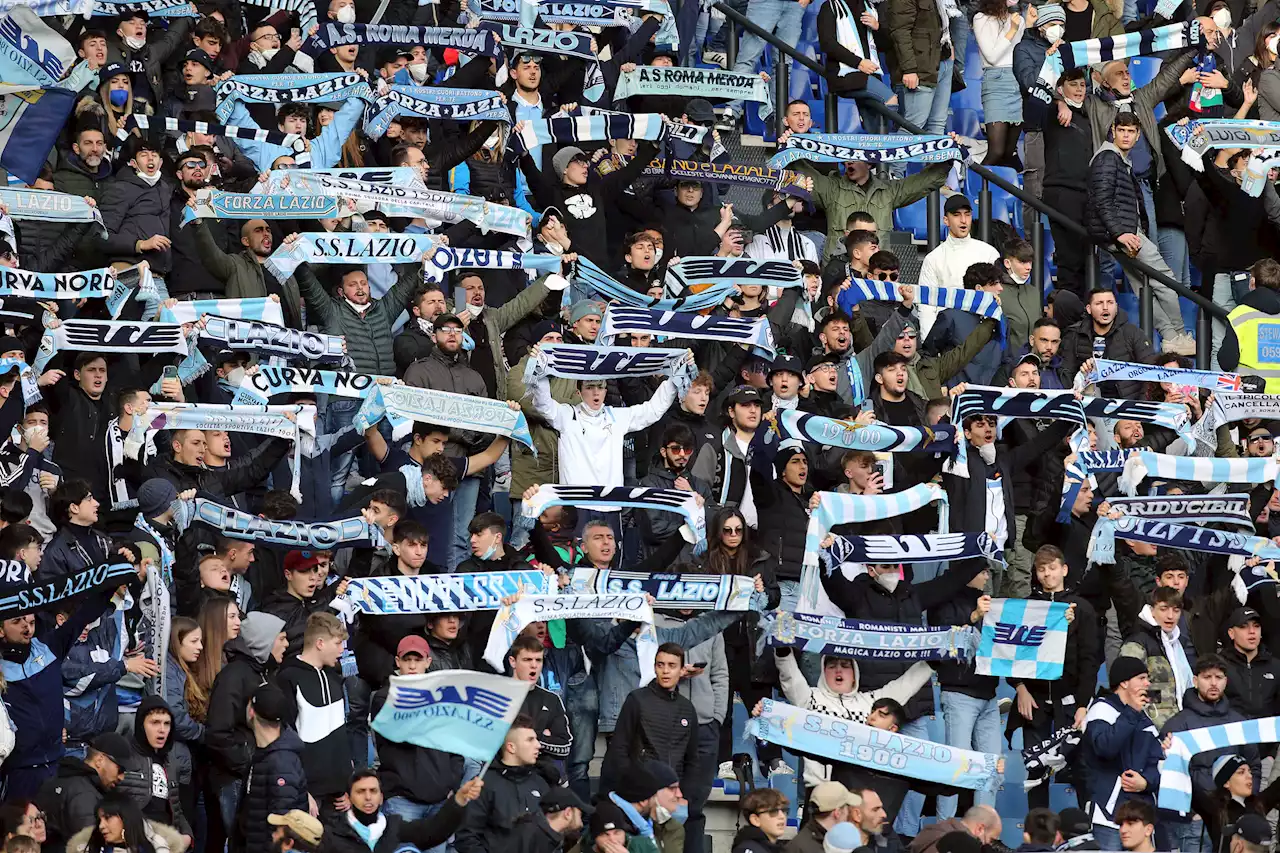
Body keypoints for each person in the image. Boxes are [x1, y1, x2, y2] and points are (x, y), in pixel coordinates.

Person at [1085, 112, 1194, 355]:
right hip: (1124, 234)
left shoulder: (1119, 159)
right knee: (1165, 279)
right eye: (1121, 130)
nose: (1125, 135)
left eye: (1131, 131)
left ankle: (1169, 336)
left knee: (1142, 286)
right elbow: (1102, 201)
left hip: (1121, 234)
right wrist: (1120, 234)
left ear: (1137, 136)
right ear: (1113, 130)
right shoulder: (1107, 158)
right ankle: (1180, 334)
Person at [1161, 654, 1259, 853]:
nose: (1213, 683)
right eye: (1207, 677)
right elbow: (1171, 775)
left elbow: (1254, 765)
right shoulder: (1177, 725)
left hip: (1234, 816)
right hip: (1195, 822)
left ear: (1226, 681)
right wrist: (1193, 811)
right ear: (1195, 681)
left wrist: (1246, 801)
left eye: (1219, 677)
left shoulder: (1239, 723)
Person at [1080, 657, 1162, 849]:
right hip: (1109, 815)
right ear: (1124, 682)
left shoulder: (1145, 718)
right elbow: (1106, 747)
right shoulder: (1101, 709)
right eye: (1141, 678)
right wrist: (1131, 712)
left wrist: (1146, 782)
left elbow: (1157, 762)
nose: (1147, 683)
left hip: (1141, 815)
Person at [323, 770, 483, 853]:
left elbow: (433, 831)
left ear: (381, 797)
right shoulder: (334, 834)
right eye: (360, 791)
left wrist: (459, 800)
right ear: (349, 798)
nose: (367, 797)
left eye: (373, 791)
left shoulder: (394, 827)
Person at [454, 716, 549, 853]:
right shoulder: (483, 784)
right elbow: (466, 837)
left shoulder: (540, 783)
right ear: (511, 747)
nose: (538, 745)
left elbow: (552, 834)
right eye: (530, 740)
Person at [35, 734, 131, 853]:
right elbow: (86, 846)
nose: (122, 777)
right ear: (100, 760)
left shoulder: (65, 778)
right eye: (120, 769)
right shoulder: (84, 794)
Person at [731, 788, 789, 853]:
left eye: (784, 810)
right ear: (755, 820)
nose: (782, 816)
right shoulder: (746, 849)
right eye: (773, 811)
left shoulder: (777, 848)